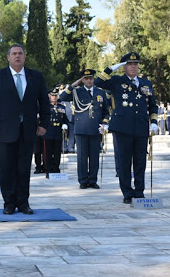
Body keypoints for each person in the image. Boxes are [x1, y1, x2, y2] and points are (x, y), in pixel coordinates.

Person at [0, 44, 49, 215]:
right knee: (6, 168)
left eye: (20, 53)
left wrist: (44, 124)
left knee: (23, 168)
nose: (17, 56)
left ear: (24, 56)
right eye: (14, 54)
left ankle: (23, 202)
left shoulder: (36, 76)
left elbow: (44, 103)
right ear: (8, 57)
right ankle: (9, 203)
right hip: (4, 130)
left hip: (28, 130)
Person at [95, 52, 159, 204]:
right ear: (124, 67)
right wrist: (111, 68)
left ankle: (139, 191)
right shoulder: (117, 81)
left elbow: (153, 105)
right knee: (124, 161)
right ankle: (127, 193)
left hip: (141, 127)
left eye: (135, 64)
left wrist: (154, 122)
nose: (133, 67)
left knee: (140, 161)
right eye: (129, 64)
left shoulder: (146, 83)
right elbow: (98, 81)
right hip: (122, 127)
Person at [59, 69, 110, 189]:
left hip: (96, 129)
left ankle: (92, 180)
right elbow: (62, 97)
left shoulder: (100, 92)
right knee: (82, 157)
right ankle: (83, 180)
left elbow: (106, 112)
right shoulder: (77, 92)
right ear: (82, 80)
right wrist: (73, 85)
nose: (89, 80)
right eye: (86, 78)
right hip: (81, 129)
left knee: (94, 157)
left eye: (91, 78)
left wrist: (104, 123)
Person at [39, 89, 69, 177]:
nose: (54, 97)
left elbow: (65, 119)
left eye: (55, 96)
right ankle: (47, 169)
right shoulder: (46, 106)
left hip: (58, 131)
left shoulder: (61, 107)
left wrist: (65, 124)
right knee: (47, 152)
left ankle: (56, 168)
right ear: (49, 96)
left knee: (57, 152)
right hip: (48, 131)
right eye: (52, 96)